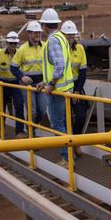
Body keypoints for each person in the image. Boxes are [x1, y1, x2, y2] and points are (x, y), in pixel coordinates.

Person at [35, 8, 73, 166]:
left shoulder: (52, 40)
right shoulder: (62, 38)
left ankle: (66, 158)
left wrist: (51, 84)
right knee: (64, 123)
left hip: (58, 91)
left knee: (57, 124)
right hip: (64, 88)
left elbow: (59, 66)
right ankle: (71, 151)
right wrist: (45, 81)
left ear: (44, 26)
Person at [11, 20, 49, 134]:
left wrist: (45, 80)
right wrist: (22, 77)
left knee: (42, 111)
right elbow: (13, 67)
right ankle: (31, 134)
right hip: (27, 84)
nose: (37, 35)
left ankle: (32, 127)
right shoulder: (22, 49)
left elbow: (51, 65)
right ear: (29, 33)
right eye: (34, 32)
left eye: (39, 32)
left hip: (42, 83)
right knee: (32, 111)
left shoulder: (46, 46)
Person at [61, 20, 88, 156]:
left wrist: (77, 90)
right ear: (63, 35)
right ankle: (69, 147)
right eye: (68, 35)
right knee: (66, 119)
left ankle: (76, 141)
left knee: (81, 116)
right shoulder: (59, 50)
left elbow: (83, 71)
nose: (70, 37)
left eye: (72, 35)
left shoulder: (80, 49)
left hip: (76, 87)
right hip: (63, 88)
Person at [0, 31, 25, 138]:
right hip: (2, 84)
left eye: (15, 44)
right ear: (7, 43)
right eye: (11, 43)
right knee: (0, 108)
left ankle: (19, 131)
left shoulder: (20, 54)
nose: (13, 46)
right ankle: (0, 128)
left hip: (16, 84)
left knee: (19, 106)